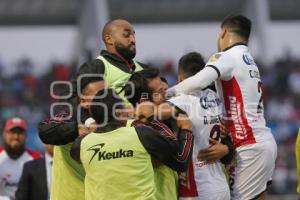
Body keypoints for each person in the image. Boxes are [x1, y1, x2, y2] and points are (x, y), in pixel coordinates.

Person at [167, 15, 277, 200]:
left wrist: (167, 93)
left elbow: (200, 80)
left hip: (248, 145)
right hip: (263, 141)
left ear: (223, 32)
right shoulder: (249, 60)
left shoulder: (226, 57)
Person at [38, 18, 145, 200]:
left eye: (134, 34)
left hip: (128, 159)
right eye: (127, 34)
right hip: (99, 153)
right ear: (109, 39)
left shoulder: (144, 71)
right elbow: (70, 97)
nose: (133, 39)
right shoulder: (98, 66)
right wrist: (89, 122)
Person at [70, 89, 192, 200]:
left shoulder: (81, 145)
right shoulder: (141, 134)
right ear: (119, 113)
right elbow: (177, 153)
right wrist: (152, 119)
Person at [167, 52, 233, 199]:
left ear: (180, 78)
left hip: (198, 189)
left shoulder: (183, 101)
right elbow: (227, 138)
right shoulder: (215, 98)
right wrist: (228, 148)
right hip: (221, 186)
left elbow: (153, 111)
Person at [124, 68, 194, 199]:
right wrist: (186, 129)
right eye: (160, 92)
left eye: (165, 89)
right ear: (143, 100)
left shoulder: (127, 123)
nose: (166, 95)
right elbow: (181, 161)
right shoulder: (145, 127)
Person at [0, 118, 41, 200]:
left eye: (20, 132)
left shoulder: (37, 159)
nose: (16, 136)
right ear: (4, 134)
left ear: (26, 135)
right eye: (12, 132)